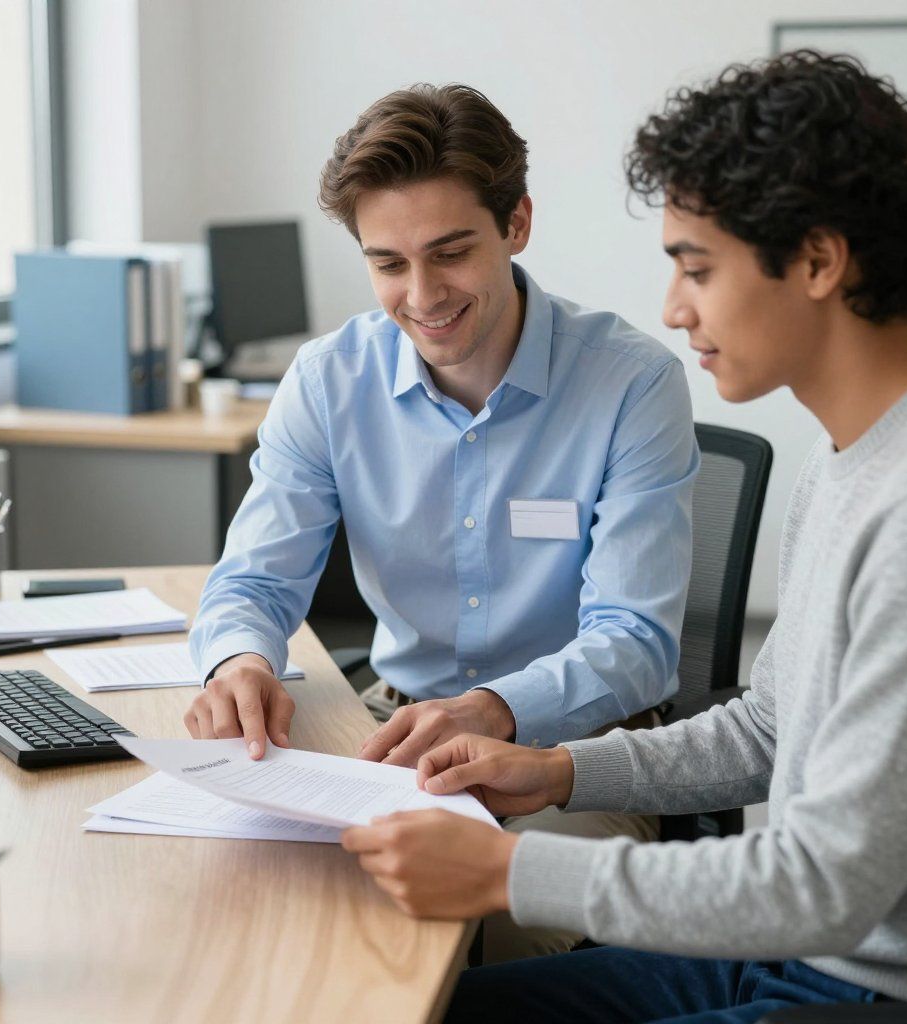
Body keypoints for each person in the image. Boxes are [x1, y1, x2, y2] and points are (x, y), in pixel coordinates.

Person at [341, 51, 907, 1020]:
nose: (672, 308)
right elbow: (769, 727)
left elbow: (824, 880)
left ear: (817, 260)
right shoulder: (842, 464)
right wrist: (558, 769)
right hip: (794, 953)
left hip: (860, 986)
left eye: (697, 268)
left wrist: (508, 872)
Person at [186, 84, 699, 960]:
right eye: (388, 263)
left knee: (493, 951)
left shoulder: (630, 383)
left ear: (518, 224)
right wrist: (238, 657)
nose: (421, 295)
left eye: (450, 253)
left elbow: (636, 639)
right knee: (274, 919)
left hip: (573, 758)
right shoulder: (327, 381)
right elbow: (254, 581)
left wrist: (495, 710)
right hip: (393, 737)